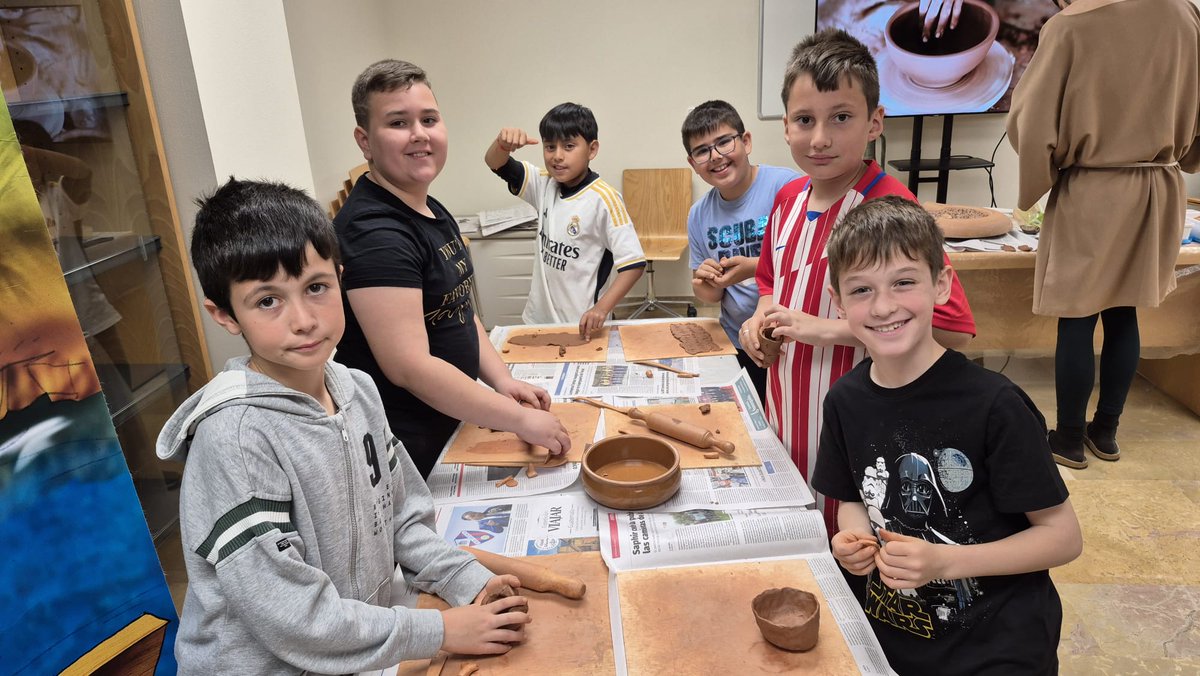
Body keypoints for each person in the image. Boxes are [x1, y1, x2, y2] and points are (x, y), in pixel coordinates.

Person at [157, 179, 530, 674]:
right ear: (224, 315)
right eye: (268, 301)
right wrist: (442, 632)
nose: (304, 320)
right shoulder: (238, 440)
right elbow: (295, 618)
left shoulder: (358, 391)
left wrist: (465, 578)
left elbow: (400, 519)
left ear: (340, 277)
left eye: (316, 288)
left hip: (348, 654)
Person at [812, 196, 1082, 675]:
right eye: (861, 290)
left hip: (994, 646)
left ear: (941, 284)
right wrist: (850, 535)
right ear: (838, 300)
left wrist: (943, 562)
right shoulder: (844, 401)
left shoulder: (995, 405)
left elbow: (1062, 538)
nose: (883, 306)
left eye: (903, 282)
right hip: (894, 635)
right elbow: (851, 497)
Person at [739, 29, 976, 532]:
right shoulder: (787, 202)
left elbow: (952, 329)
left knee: (857, 558)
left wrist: (825, 330)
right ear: (785, 126)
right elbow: (769, 282)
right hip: (789, 423)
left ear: (874, 122)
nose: (820, 138)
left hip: (862, 441)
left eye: (840, 118)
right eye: (805, 120)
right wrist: (760, 317)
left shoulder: (891, 212)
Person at [333, 59, 570, 477]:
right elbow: (409, 367)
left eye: (429, 119)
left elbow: (457, 308)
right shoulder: (375, 233)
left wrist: (503, 380)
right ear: (365, 141)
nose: (420, 134)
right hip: (410, 449)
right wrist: (517, 419)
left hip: (450, 421)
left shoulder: (425, 203)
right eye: (398, 122)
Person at [1008, 0, 1200, 470]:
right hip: (1160, 185)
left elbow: (1031, 124)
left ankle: (1069, 438)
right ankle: (1107, 432)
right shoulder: (1186, 14)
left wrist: (1042, 176)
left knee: (1076, 315)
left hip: (1094, 186)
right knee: (1124, 311)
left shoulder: (1070, 26)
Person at [484, 103, 646, 338]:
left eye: (569, 146)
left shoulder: (605, 200)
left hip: (581, 324)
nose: (557, 156)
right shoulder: (543, 183)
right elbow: (495, 162)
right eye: (550, 147)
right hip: (536, 320)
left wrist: (601, 309)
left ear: (592, 150)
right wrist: (502, 144)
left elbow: (634, 264)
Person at [681, 100, 800, 403]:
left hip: (791, 337)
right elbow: (712, 296)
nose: (716, 156)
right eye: (702, 150)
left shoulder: (786, 186)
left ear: (745, 141)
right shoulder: (698, 214)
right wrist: (704, 286)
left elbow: (808, 263)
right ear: (693, 163)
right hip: (737, 340)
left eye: (724, 142)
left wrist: (755, 267)